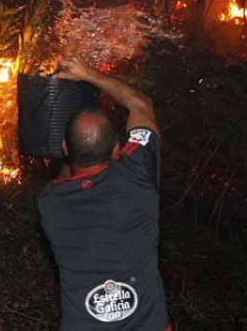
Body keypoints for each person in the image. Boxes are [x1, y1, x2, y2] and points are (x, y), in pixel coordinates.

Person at [37, 55, 170, 330]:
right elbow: (141, 105)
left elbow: (65, 178)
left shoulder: (50, 205)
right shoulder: (138, 175)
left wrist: (68, 153)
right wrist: (89, 74)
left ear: (64, 148)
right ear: (117, 149)